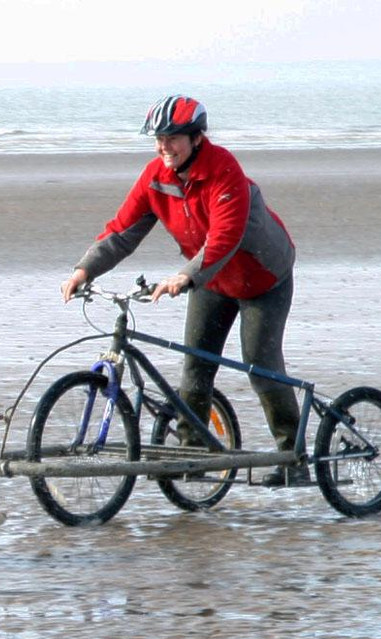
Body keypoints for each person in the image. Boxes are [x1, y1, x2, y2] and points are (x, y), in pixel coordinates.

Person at [60, 94, 307, 487]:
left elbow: (225, 237)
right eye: (158, 138)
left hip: (262, 279)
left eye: (172, 137)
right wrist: (84, 269)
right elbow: (122, 232)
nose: (163, 146)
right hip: (211, 281)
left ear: (196, 137)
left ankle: (295, 455)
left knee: (260, 366)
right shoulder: (155, 176)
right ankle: (194, 454)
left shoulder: (223, 170)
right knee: (195, 367)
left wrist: (185, 276)